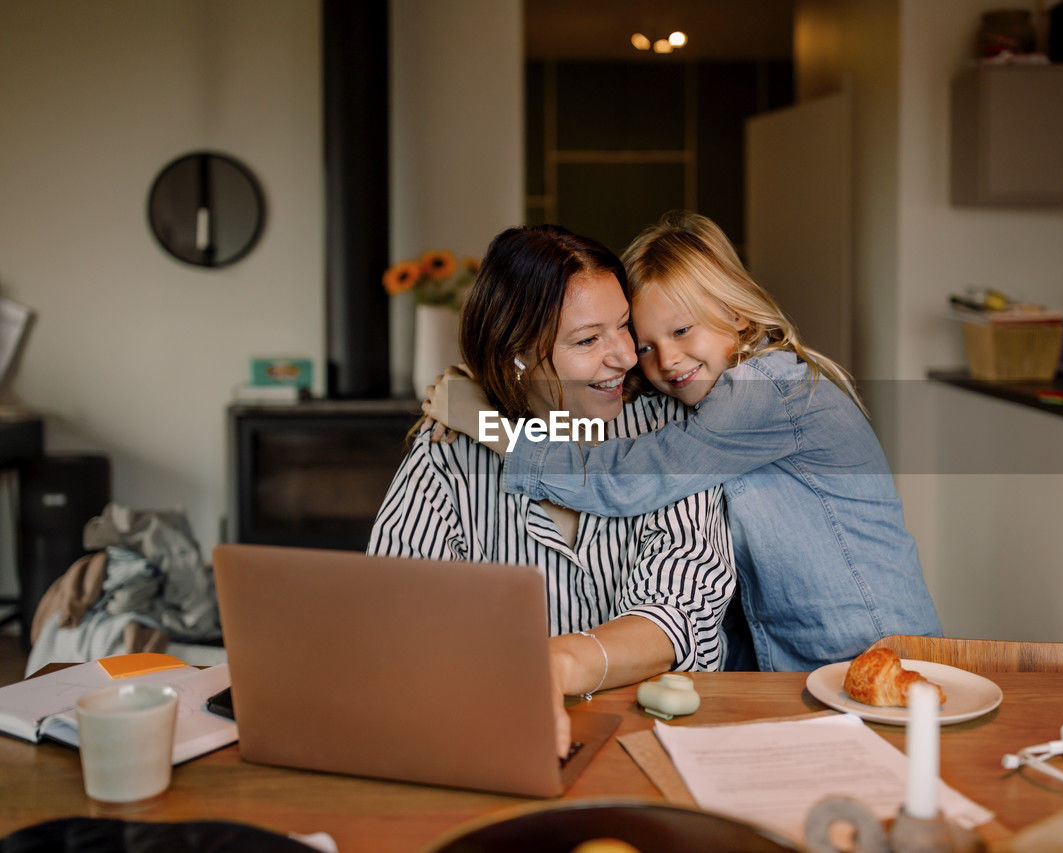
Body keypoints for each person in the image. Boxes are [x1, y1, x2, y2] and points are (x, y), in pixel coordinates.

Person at [424, 211, 941, 673]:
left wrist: (485, 423)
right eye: (644, 343)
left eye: (682, 331)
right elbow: (584, 399)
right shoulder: (707, 392)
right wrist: (497, 381)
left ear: (738, 315)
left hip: (876, 656)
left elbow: (623, 478)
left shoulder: (766, 388)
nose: (665, 360)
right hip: (798, 667)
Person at [367, 224, 735, 755]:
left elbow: (679, 615)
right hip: (491, 737)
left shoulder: (668, 431)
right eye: (588, 340)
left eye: (624, 327)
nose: (627, 357)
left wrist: (554, 664)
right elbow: (395, 614)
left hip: (663, 742)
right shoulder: (448, 450)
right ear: (519, 357)